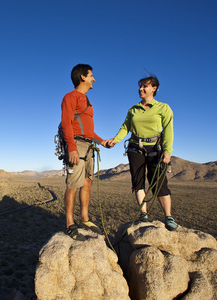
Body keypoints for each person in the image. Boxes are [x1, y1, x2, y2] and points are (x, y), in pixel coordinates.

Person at [105, 75, 178, 231]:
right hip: (135, 147)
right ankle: (143, 214)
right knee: (138, 181)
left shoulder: (163, 108)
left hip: (155, 149)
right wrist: (115, 140)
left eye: (145, 86)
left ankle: (168, 216)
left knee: (158, 182)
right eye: (140, 86)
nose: (141, 89)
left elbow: (168, 131)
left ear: (154, 88)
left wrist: (167, 151)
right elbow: (126, 127)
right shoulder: (133, 109)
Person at [60, 64, 110, 241]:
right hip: (76, 145)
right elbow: (66, 123)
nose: (93, 79)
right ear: (83, 77)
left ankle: (85, 219)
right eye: (91, 76)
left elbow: (89, 131)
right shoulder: (70, 97)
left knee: (87, 182)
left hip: (89, 146)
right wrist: (71, 147)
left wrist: (102, 141)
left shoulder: (87, 101)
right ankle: (69, 223)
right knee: (73, 184)